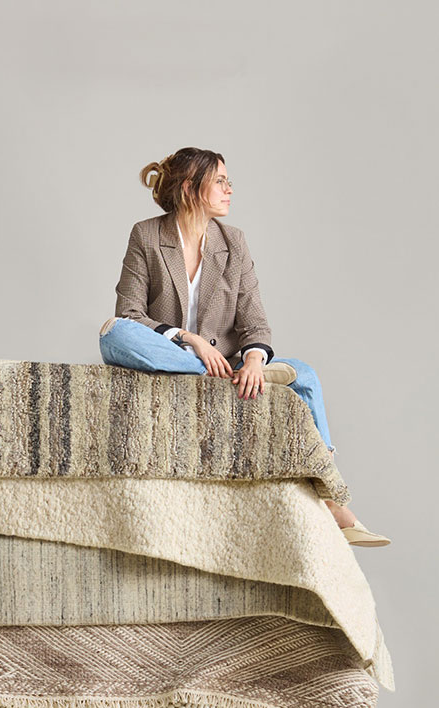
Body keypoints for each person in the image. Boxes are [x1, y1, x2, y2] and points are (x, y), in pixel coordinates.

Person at [98, 146, 389, 546]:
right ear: (190, 187)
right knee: (113, 333)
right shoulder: (147, 235)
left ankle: (332, 496)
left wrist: (253, 359)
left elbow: (255, 320)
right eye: (220, 181)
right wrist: (191, 340)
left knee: (303, 373)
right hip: (170, 355)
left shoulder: (234, 242)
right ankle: (204, 372)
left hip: (230, 361)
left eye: (227, 181)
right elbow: (129, 313)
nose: (229, 189)